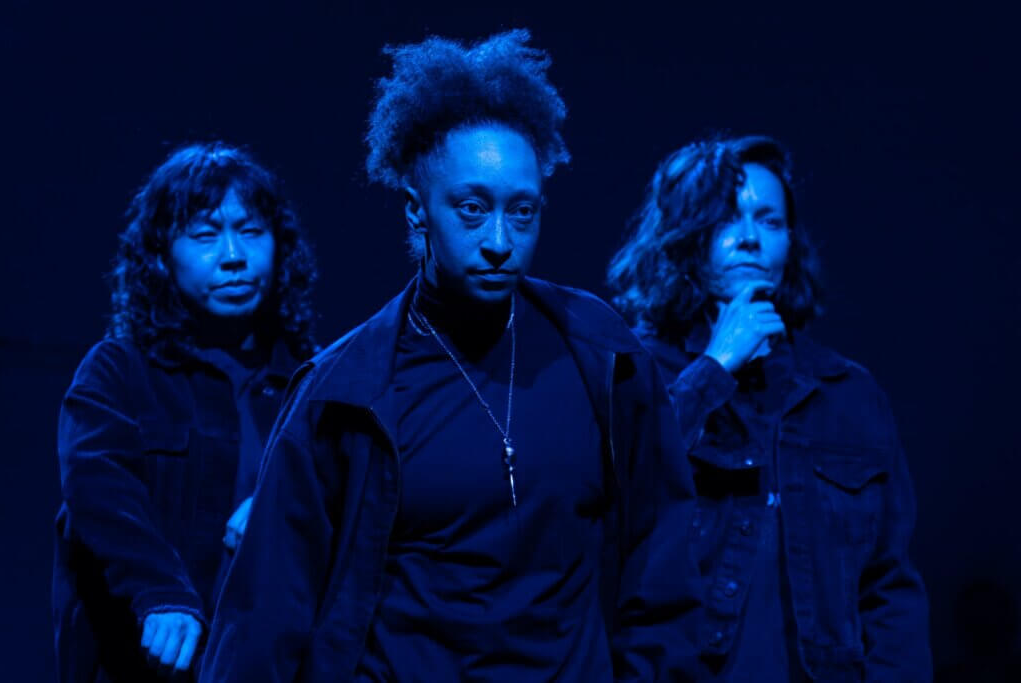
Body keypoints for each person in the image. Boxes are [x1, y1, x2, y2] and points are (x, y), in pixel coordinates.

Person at [203, 30, 702, 682]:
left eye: (522, 213)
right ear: (418, 213)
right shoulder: (344, 392)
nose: (500, 240)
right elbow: (267, 607)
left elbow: (660, 565)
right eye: (472, 209)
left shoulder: (602, 354)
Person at [607, 135, 932, 681]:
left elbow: (889, 586)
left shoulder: (847, 392)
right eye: (728, 220)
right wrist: (716, 366)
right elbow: (614, 504)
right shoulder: (635, 372)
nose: (751, 241)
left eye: (770, 221)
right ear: (684, 237)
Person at [53, 142, 317, 682]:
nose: (233, 256)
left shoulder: (313, 383)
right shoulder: (119, 371)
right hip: (146, 668)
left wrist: (276, 505)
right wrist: (162, 592)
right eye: (204, 235)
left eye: (250, 231)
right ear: (162, 256)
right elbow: (98, 489)